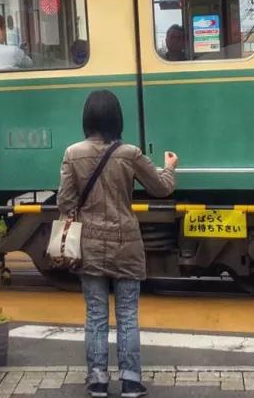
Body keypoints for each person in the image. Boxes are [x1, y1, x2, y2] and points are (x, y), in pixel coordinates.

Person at [57, 90, 178, 398]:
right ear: (117, 118)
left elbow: (65, 202)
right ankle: (131, 381)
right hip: (126, 242)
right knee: (127, 313)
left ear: (87, 118)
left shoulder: (73, 153)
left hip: (90, 244)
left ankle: (97, 380)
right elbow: (161, 189)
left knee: (95, 315)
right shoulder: (130, 153)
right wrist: (170, 167)